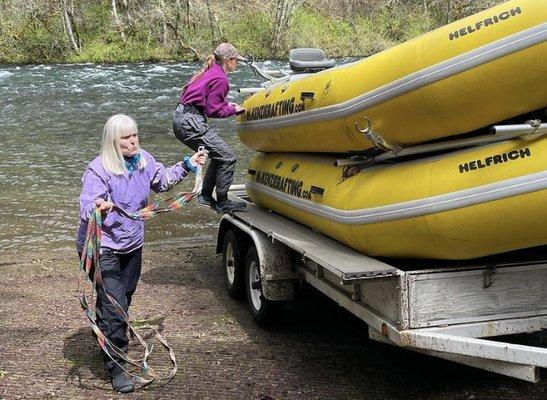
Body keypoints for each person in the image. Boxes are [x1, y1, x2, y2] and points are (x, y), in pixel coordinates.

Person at [76, 114, 206, 393]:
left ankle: (107, 336)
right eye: (126, 137)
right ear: (113, 141)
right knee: (116, 306)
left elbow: (162, 181)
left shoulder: (143, 159)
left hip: (132, 244)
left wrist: (187, 165)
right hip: (103, 248)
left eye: (134, 135)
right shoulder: (98, 170)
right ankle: (118, 368)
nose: (133, 140)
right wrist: (99, 204)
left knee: (121, 299)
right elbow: (86, 206)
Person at [172, 42, 247, 213]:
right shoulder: (221, 79)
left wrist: (228, 104)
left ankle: (205, 196)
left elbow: (206, 100)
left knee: (218, 155)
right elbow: (213, 110)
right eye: (236, 60)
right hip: (190, 122)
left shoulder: (210, 71)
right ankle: (222, 201)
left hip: (181, 118)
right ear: (228, 60)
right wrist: (233, 110)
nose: (238, 63)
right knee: (228, 157)